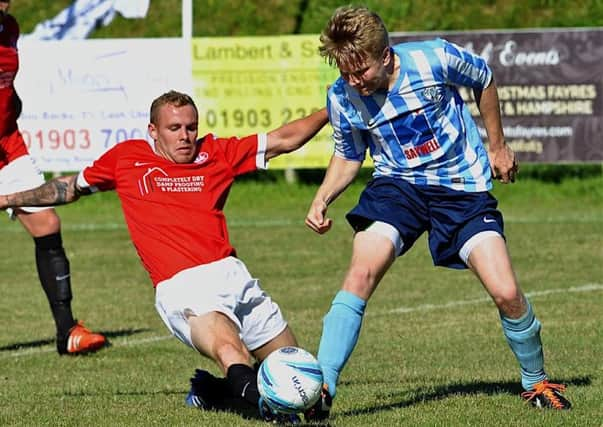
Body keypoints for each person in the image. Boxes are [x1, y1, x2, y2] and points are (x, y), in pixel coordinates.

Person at [303, 5, 571, 420]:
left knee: (505, 292)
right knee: (361, 271)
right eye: (345, 73)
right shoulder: (341, 96)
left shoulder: (435, 58)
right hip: (399, 188)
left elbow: (483, 78)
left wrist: (497, 145)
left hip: (461, 190)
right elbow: (349, 153)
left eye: (362, 72)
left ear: (387, 56)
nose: (353, 81)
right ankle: (322, 387)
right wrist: (323, 197)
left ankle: (535, 381)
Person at [1, 90, 328, 422]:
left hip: (234, 276)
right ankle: (268, 410)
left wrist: (332, 107)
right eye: (174, 128)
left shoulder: (216, 152)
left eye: (191, 127)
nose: (185, 136)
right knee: (231, 351)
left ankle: (210, 391)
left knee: (303, 376)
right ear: (153, 130)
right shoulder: (127, 159)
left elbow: (285, 138)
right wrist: (7, 198)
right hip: (184, 287)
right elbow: (69, 188)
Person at [0, 0, 105, 355]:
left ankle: (67, 332)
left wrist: (11, 105)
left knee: (46, 223)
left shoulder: (9, 28)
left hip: (7, 145)